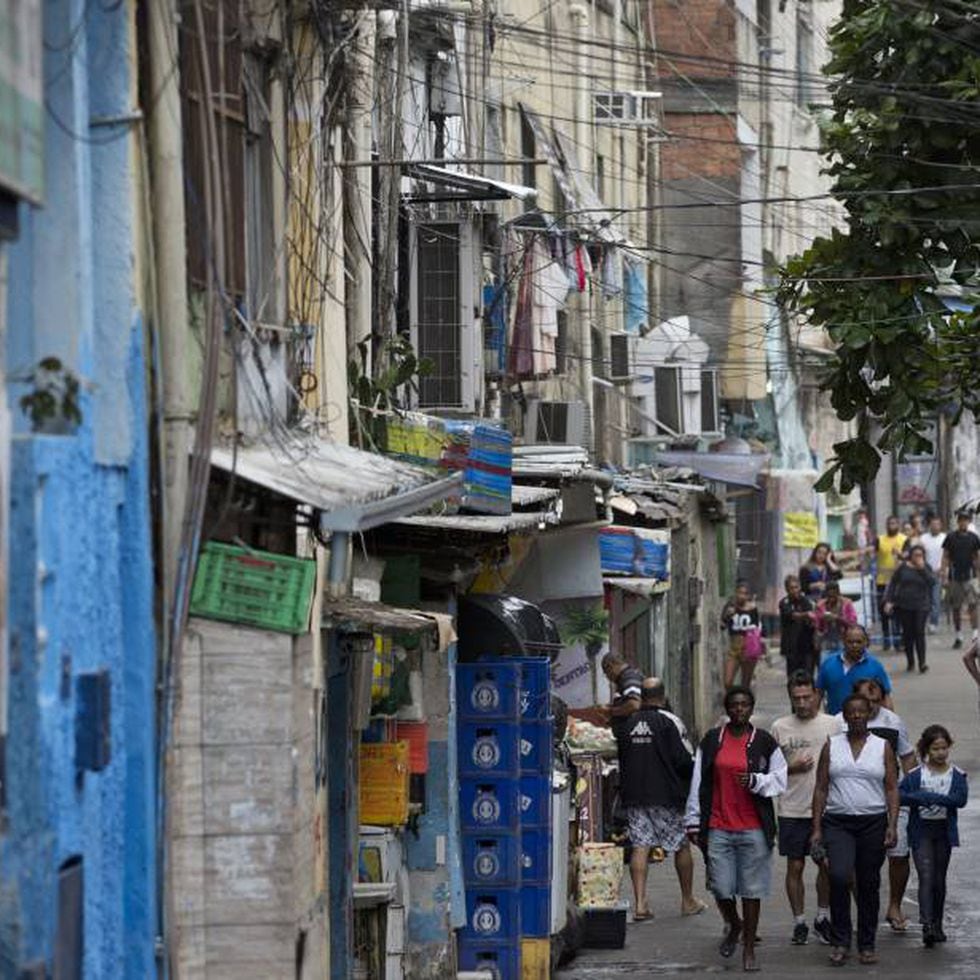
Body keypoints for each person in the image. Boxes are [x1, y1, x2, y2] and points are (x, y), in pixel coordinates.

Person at [685, 686, 787, 972]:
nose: (739, 709)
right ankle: (735, 924)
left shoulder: (764, 742)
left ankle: (749, 948)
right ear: (727, 709)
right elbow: (698, 781)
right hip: (718, 825)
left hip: (754, 826)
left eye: (744, 705)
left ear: (751, 708)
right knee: (720, 885)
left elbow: (780, 779)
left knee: (751, 890)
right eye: (734, 705)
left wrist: (756, 781)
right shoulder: (712, 740)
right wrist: (693, 820)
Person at [810, 693, 900, 967]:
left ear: (869, 713)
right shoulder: (832, 745)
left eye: (862, 711)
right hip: (838, 822)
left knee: (868, 883)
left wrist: (892, 824)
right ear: (845, 716)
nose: (857, 715)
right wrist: (816, 828)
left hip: (873, 822)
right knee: (838, 876)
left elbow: (891, 787)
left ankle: (867, 944)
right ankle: (840, 940)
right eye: (852, 712)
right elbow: (821, 787)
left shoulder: (882, 746)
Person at [613, 678, 705, 920]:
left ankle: (641, 905)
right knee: (681, 845)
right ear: (663, 697)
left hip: (635, 796)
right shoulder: (670, 721)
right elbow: (685, 760)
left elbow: (621, 759)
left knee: (640, 845)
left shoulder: (628, 723)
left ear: (642, 696)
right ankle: (687, 901)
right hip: (666, 796)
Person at [836, 678, 916, 933]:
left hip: (892, 797)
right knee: (857, 864)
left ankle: (894, 905)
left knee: (899, 854)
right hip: (855, 801)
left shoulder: (893, 721)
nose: (869, 706)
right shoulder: (839, 722)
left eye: (875, 700)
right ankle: (865, 909)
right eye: (864, 701)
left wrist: (914, 792)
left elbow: (907, 757)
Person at [770, 671, 841, 946]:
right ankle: (799, 921)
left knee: (826, 865)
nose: (801, 703)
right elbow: (769, 771)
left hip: (827, 809)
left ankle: (822, 917)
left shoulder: (833, 725)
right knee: (795, 865)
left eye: (806, 697)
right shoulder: (779, 727)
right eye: (795, 698)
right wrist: (791, 768)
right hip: (791, 808)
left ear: (817, 696)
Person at [899, 725, 969, 947]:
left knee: (939, 879)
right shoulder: (915, 775)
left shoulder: (956, 775)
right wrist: (922, 798)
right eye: (936, 748)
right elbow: (900, 796)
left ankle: (937, 924)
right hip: (921, 832)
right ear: (927, 749)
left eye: (944, 748)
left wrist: (929, 797)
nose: (940, 753)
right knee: (926, 876)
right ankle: (927, 924)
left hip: (943, 832)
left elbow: (960, 800)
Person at [815, 624, 893, 716]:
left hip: (866, 724)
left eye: (858, 642)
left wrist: (890, 721)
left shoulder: (875, 666)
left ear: (866, 642)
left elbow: (885, 697)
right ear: (843, 641)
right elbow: (818, 693)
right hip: (835, 723)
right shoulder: (828, 664)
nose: (854, 645)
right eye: (850, 642)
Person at [883, 544, 937, 673]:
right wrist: (889, 601)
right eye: (915, 555)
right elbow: (893, 583)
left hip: (922, 605)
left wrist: (922, 569)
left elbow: (932, 582)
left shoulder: (926, 567)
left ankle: (922, 663)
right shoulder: (903, 567)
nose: (918, 557)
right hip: (904, 605)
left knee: (919, 632)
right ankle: (910, 661)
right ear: (910, 556)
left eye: (920, 555)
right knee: (908, 634)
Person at [941, 510, 980, 649]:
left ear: (968, 522)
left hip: (970, 576)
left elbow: (976, 557)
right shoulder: (951, 537)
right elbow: (945, 556)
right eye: (961, 520)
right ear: (958, 522)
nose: (963, 522)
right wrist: (943, 574)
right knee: (956, 607)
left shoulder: (974, 538)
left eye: (966, 520)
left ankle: (975, 634)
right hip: (955, 576)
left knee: (973, 605)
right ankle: (958, 635)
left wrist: (978, 575)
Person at [720, 581, 763, 690]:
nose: (741, 596)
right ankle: (733, 698)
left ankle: (745, 702)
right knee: (727, 682)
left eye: (745, 593)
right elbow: (722, 625)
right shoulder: (730, 606)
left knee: (745, 683)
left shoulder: (752, 609)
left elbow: (756, 629)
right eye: (739, 593)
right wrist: (727, 615)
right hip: (734, 647)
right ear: (735, 593)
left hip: (748, 646)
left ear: (748, 595)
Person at [875, 516, 907, 651]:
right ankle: (886, 639)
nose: (891, 525)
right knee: (883, 611)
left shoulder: (904, 539)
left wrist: (899, 554)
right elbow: (872, 554)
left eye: (894, 523)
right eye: (889, 523)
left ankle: (898, 639)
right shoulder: (880, 539)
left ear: (898, 524)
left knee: (897, 611)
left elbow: (907, 556)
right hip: (882, 580)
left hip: (899, 581)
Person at [778, 575, 816, 678]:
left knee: (808, 675)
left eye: (796, 587)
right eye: (791, 588)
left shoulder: (806, 601)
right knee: (793, 676)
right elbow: (793, 615)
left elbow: (812, 618)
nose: (795, 590)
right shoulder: (784, 603)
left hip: (807, 645)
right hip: (791, 646)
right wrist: (806, 614)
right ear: (787, 589)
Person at [813, 582, 858, 667]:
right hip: (826, 642)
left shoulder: (847, 604)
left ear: (838, 593)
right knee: (825, 667)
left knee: (844, 668)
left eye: (834, 596)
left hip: (843, 641)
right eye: (829, 596)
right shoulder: (820, 605)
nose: (831, 599)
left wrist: (838, 618)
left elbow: (853, 623)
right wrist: (822, 618)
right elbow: (818, 627)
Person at [919, 515, 947, 633]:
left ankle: (933, 623)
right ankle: (922, 622)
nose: (935, 526)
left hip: (938, 572)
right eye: (933, 524)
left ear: (940, 526)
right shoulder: (924, 538)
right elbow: (920, 554)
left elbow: (947, 556)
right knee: (924, 600)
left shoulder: (945, 538)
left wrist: (944, 570)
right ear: (929, 525)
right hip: (924, 572)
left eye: (937, 524)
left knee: (935, 599)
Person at [599, 652, 642, 721]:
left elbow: (633, 705)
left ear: (610, 666)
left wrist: (610, 711)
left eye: (606, 673)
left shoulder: (629, 678)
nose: (607, 677)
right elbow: (626, 701)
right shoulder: (624, 678)